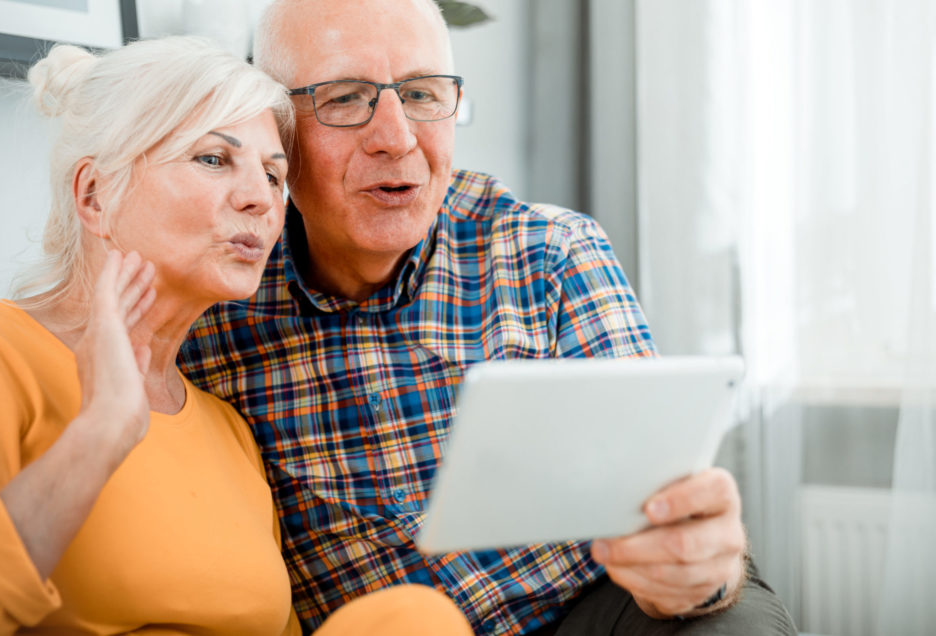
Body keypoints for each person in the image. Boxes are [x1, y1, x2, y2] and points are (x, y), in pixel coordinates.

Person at [178, 1, 798, 634]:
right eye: (343, 97)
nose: (396, 136)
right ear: (275, 129)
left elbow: (674, 515)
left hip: (599, 609)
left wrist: (703, 569)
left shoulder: (549, 252)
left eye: (421, 94)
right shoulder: (213, 310)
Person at [0, 36, 473, 635]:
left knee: (414, 619)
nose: (260, 198)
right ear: (94, 196)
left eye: (273, 173)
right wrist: (100, 433)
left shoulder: (228, 430)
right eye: (213, 159)